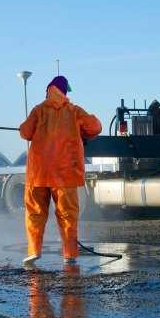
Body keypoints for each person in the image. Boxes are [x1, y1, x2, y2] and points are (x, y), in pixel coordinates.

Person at [19, 76, 101, 267]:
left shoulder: (38, 110)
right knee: (67, 215)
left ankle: (33, 251)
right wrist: (85, 129)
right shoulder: (74, 111)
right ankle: (70, 254)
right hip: (65, 175)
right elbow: (95, 127)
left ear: (49, 90)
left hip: (39, 174)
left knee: (35, 214)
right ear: (64, 92)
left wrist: (22, 127)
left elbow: (25, 132)